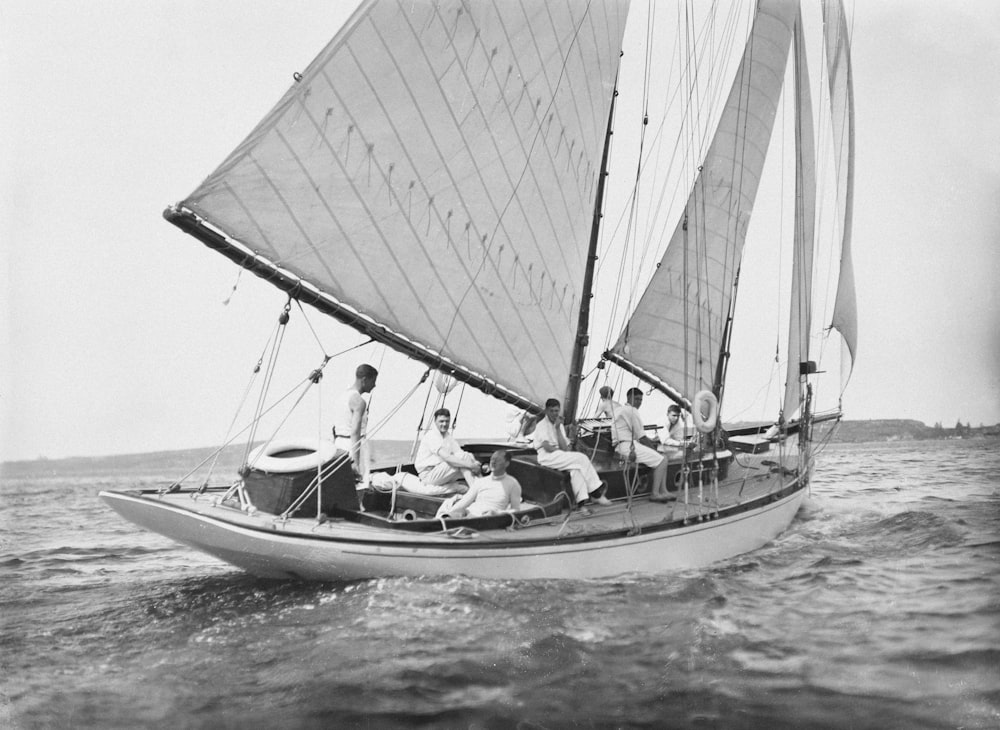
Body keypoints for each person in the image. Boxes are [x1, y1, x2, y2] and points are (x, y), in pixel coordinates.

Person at [532, 398, 610, 507]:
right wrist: (563, 453)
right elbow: (547, 447)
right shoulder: (542, 425)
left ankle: (581, 503)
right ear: (546, 411)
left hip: (558, 454)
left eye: (556, 411)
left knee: (576, 470)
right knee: (581, 458)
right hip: (546, 456)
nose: (555, 414)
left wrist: (558, 429)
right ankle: (596, 492)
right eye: (552, 411)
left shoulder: (558, 425)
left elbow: (564, 448)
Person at [613, 388, 671, 502]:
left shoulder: (620, 409)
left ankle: (664, 491)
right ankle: (655, 493)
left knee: (663, 458)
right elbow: (642, 437)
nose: (639, 402)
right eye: (636, 399)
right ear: (629, 398)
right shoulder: (632, 411)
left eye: (641, 400)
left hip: (624, 445)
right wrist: (655, 450)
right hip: (627, 446)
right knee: (662, 460)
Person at [436, 449, 522, 518]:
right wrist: (450, 514)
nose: (493, 462)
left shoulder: (512, 484)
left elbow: (516, 510)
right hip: (469, 514)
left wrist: (498, 513)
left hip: (487, 520)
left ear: (506, 463)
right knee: (450, 514)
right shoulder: (481, 482)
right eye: (492, 459)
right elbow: (464, 502)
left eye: (498, 460)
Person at [415, 408, 482, 492]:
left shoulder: (447, 436)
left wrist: (473, 462)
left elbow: (460, 452)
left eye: (447, 421)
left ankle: (482, 489)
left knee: (468, 456)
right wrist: (471, 465)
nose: (444, 424)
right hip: (429, 475)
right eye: (441, 421)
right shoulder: (431, 436)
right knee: (465, 460)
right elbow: (447, 458)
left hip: (440, 472)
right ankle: (476, 492)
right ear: (435, 421)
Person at [333, 363, 378, 480]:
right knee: (359, 484)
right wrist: (356, 463)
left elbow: (334, 428)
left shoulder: (342, 397)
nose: (374, 385)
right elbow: (355, 432)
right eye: (373, 381)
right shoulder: (359, 401)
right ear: (364, 380)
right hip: (354, 447)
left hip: (339, 445)